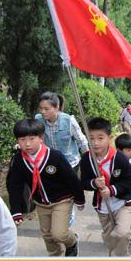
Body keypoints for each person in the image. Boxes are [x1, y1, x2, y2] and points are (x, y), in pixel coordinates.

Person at [7, 119, 85, 257]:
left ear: (41, 138)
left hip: (62, 200)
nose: (27, 143)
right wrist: (16, 210)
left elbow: (71, 179)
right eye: (22, 139)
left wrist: (79, 198)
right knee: (48, 236)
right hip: (40, 203)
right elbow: (14, 186)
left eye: (32, 138)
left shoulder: (55, 156)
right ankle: (55, 256)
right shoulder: (19, 160)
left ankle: (72, 242)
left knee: (59, 234)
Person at [79, 117, 131, 257]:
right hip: (103, 206)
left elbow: (130, 179)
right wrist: (94, 183)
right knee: (109, 238)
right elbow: (84, 182)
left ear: (109, 138)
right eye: (91, 138)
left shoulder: (119, 158)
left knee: (122, 233)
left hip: (122, 202)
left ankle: (122, 257)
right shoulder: (87, 159)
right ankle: (113, 255)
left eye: (100, 138)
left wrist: (112, 189)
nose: (95, 143)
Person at [35, 92, 89, 227]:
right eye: (41, 108)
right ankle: (57, 217)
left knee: (67, 192)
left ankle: (67, 223)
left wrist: (89, 162)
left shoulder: (68, 121)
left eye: (46, 109)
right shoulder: (38, 120)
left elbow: (82, 142)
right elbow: (34, 137)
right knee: (55, 190)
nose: (43, 112)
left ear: (57, 107)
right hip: (49, 164)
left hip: (70, 163)